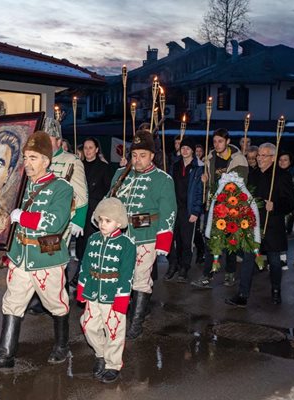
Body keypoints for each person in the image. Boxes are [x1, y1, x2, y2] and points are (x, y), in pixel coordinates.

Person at [0, 130, 74, 369]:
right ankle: (5, 355)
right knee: (12, 303)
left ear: (46, 160)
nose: (27, 163)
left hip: (46, 258)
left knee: (56, 304)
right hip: (19, 256)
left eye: (33, 157)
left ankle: (62, 346)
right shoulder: (19, 187)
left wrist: (24, 217)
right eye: (26, 157)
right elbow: (4, 216)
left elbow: (55, 222)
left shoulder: (61, 188)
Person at [108, 130, 176, 340]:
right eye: (135, 155)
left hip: (146, 236)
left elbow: (169, 211)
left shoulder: (163, 179)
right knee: (118, 277)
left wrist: (163, 240)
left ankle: (136, 322)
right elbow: (109, 200)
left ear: (152, 156)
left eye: (142, 155)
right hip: (119, 235)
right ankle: (117, 315)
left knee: (140, 279)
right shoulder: (121, 174)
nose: (137, 160)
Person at [26, 117, 87, 315]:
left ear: (59, 141)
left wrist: (78, 220)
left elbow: (81, 193)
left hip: (60, 219)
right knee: (34, 253)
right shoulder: (34, 159)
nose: (46, 143)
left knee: (52, 256)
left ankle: (55, 297)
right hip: (33, 217)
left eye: (50, 139)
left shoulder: (72, 161)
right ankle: (39, 295)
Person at [76, 198, 136, 383]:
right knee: (88, 325)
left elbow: (127, 275)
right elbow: (85, 265)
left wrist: (121, 300)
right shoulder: (93, 239)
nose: (102, 224)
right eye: (100, 219)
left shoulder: (127, 244)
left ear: (119, 222)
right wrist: (81, 289)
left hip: (113, 295)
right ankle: (101, 353)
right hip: (93, 292)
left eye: (108, 221)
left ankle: (112, 364)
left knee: (114, 330)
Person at [238, 143, 294, 305]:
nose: (259, 158)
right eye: (259, 155)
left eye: (264, 156)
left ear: (272, 158)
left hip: (272, 225)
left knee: (275, 261)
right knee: (248, 259)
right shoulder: (253, 174)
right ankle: (242, 294)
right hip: (254, 224)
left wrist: (275, 206)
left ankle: (276, 291)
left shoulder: (282, 176)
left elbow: (291, 203)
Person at [191, 128, 248, 289]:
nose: (217, 144)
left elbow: (240, 183)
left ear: (228, 141)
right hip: (214, 206)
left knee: (230, 242)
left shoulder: (239, 159)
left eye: (220, 141)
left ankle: (230, 273)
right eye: (215, 141)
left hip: (231, 207)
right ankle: (207, 276)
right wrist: (206, 180)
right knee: (211, 241)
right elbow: (210, 182)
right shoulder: (210, 158)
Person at [72, 137, 112, 288]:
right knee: (80, 243)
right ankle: (82, 271)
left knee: (90, 241)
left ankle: (81, 274)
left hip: (95, 210)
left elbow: (109, 189)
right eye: (85, 148)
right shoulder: (78, 166)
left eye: (91, 148)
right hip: (80, 208)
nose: (87, 151)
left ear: (96, 150)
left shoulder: (104, 167)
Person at [164, 137, 203, 283]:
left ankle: (184, 267)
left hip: (188, 209)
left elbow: (199, 192)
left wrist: (195, 211)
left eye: (188, 148)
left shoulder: (198, 168)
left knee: (186, 241)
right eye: (183, 148)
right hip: (174, 208)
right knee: (171, 239)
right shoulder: (175, 165)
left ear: (192, 150)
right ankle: (173, 264)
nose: (185, 150)